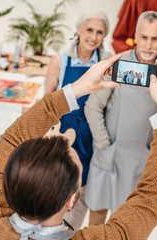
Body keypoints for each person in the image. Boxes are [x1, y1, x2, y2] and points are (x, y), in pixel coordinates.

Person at [0, 55, 157, 240]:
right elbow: (151, 199)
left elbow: (14, 136)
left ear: (7, 181)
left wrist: (78, 87)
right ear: (71, 200)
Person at [84, 10, 157, 225]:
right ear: (135, 34)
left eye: (155, 38)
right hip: (109, 154)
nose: (148, 45)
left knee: (125, 219)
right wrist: (104, 144)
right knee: (98, 210)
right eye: (143, 37)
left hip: (139, 159)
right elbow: (92, 106)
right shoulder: (118, 63)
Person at [44, 10, 111, 229]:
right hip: (65, 134)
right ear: (79, 30)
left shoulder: (107, 62)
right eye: (89, 30)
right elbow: (46, 104)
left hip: (94, 134)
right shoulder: (60, 60)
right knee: (59, 188)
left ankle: (74, 231)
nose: (93, 37)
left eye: (99, 32)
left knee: (86, 191)